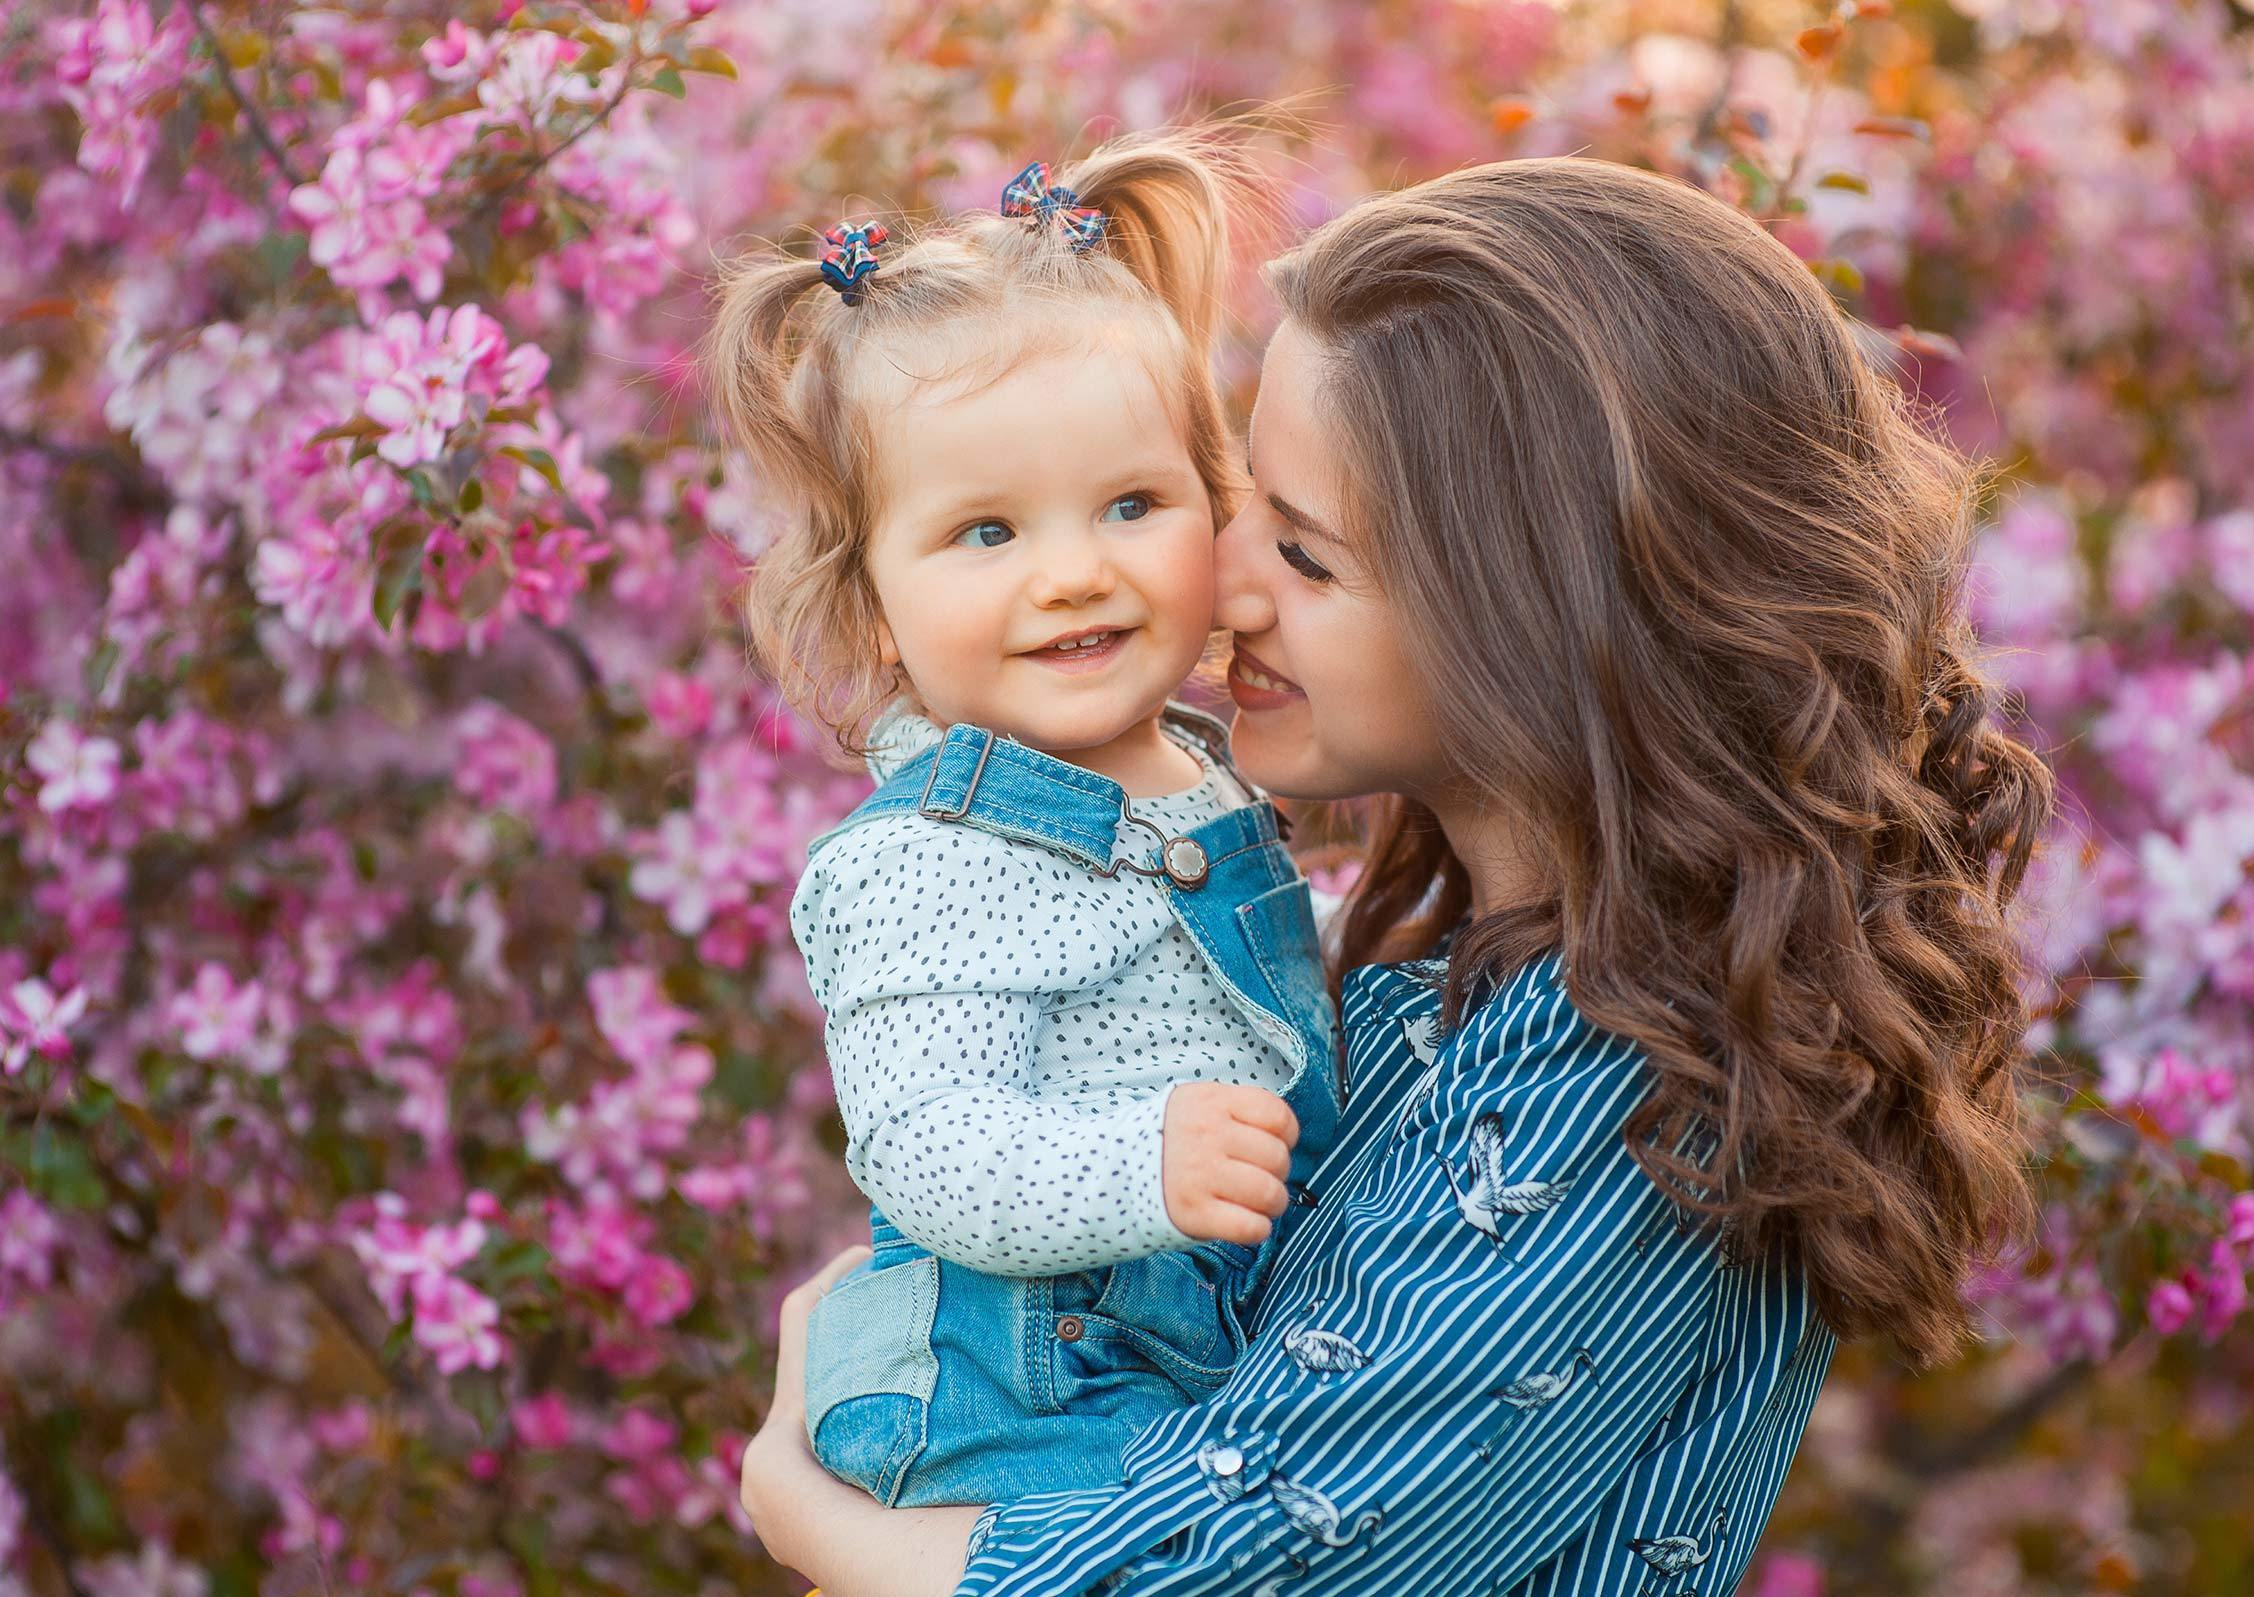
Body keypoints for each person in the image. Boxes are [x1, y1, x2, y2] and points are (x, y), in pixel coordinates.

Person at [740, 154, 2057, 1595]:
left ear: (1530, 614)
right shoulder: (1457, 993)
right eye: (1235, 499)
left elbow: (1244, 1565)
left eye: (1301, 552)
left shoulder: (1611, 1092)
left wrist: (812, 1517)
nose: (1217, 581)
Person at [700, 132, 1347, 1511]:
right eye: (987, 532)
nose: (1071, 572)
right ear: (872, 602)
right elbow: (922, 1143)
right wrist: (1139, 1161)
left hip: (1178, 1359)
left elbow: (1210, 972)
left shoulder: (1188, 767)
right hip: (1023, 1391)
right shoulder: (923, 860)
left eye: (1130, 503)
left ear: (1213, 509)